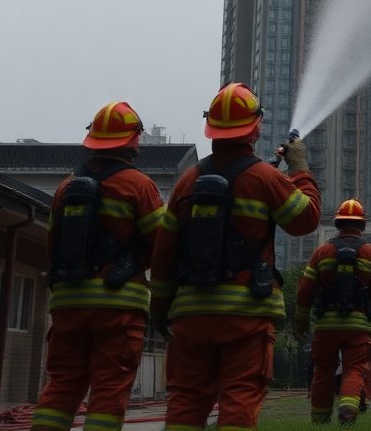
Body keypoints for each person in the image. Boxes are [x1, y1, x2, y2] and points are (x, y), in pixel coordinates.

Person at [150, 83, 321, 431]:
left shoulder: (187, 182)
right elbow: (305, 220)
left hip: (192, 315)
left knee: (185, 400)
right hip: (247, 316)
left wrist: (160, 312)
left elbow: (164, 254)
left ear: (210, 128)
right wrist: (300, 169)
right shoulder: (264, 177)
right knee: (239, 398)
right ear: (255, 129)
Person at [30, 102, 165, 431]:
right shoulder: (139, 186)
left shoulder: (65, 188)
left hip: (67, 304)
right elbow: (162, 245)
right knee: (109, 388)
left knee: (62, 385)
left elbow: (53, 247)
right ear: (134, 141)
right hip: (118, 306)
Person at [296, 199, 371, 425]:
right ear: (362, 225)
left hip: (326, 325)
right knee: (354, 369)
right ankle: (347, 412)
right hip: (359, 326)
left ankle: (320, 420)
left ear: (337, 224)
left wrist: (301, 320)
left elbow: (305, 289)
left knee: (323, 370)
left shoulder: (322, 253)